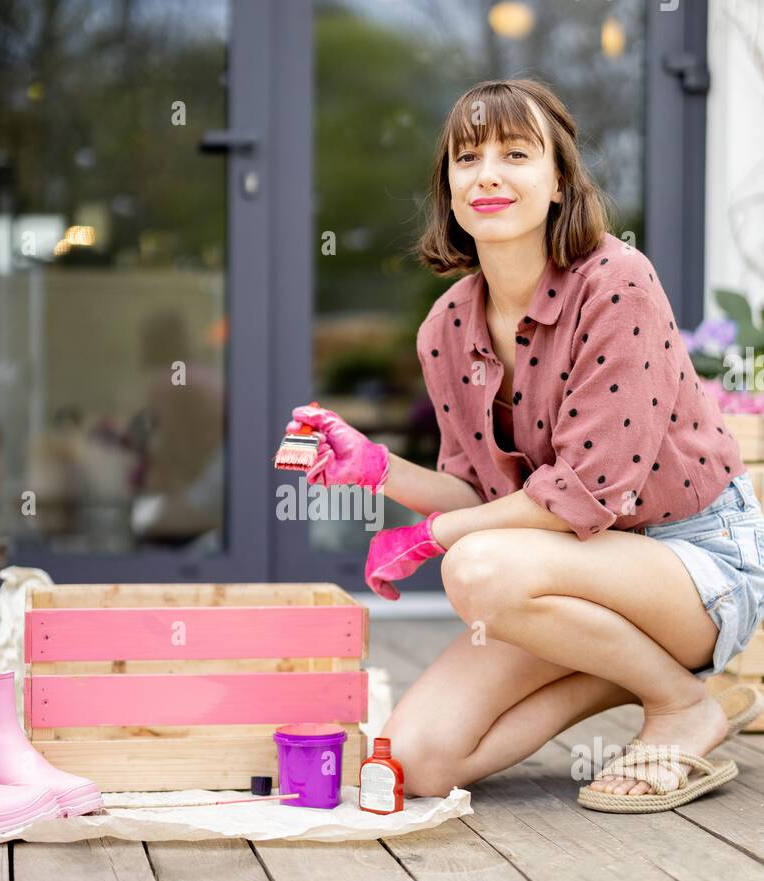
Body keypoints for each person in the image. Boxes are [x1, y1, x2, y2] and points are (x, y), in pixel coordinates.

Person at [285, 78, 764, 804]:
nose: (487, 174)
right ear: (446, 188)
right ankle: (634, 668)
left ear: (558, 182)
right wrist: (378, 469)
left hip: (695, 561)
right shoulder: (446, 327)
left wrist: (439, 536)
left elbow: (586, 495)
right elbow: (486, 495)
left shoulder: (615, 282)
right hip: (573, 568)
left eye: (515, 153)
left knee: (478, 570)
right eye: (466, 157)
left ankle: (681, 704)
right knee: (418, 762)